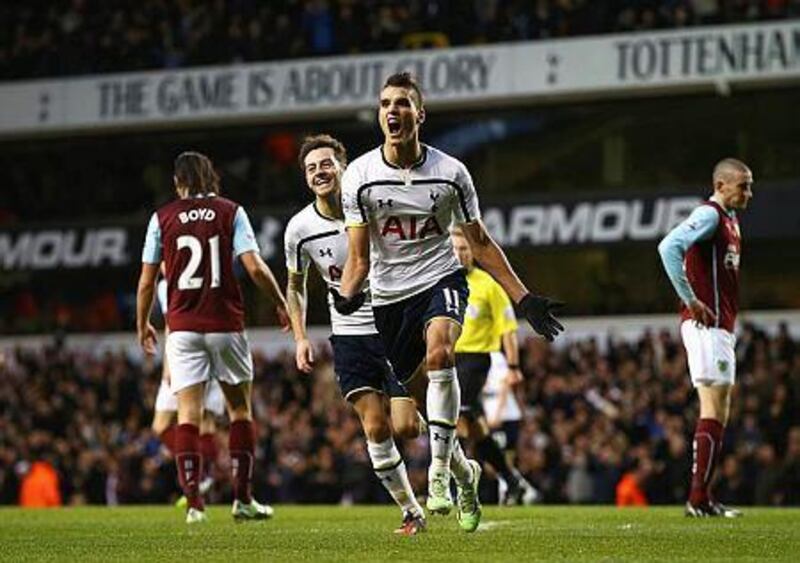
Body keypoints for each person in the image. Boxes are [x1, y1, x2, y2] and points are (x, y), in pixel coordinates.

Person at [336, 72, 565, 532]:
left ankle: (438, 475)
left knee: (442, 352)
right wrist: (346, 298)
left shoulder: (451, 174)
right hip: (389, 298)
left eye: (402, 103)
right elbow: (359, 256)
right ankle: (466, 471)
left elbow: (478, 243)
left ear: (419, 114)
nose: (392, 111)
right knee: (408, 418)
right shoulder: (359, 177)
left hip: (440, 280)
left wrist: (522, 298)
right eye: (385, 104)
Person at [136, 151, 290, 524]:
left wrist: (143, 325)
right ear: (211, 178)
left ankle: (194, 506)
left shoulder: (162, 218)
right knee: (240, 411)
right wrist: (280, 302)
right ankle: (242, 499)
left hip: (183, 330)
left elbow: (146, 281)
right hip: (225, 325)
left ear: (178, 182)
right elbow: (254, 266)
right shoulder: (230, 211)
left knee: (187, 415)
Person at [284, 134, 426, 536]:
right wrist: (299, 336)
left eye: (326, 164)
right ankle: (412, 512)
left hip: (393, 326)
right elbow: (295, 286)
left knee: (406, 428)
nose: (319, 173)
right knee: (375, 427)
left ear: (343, 167)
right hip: (348, 335)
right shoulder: (299, 229)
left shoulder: (373, 209)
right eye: (311, 168)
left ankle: (454, 455)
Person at [658, 157, 753, 518]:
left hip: (721, 328)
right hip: (706, 327)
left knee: (720, 411)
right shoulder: (710, 215)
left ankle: (703, 497)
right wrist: (691, 300)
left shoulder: (731, 219)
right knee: (712, 408)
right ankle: (697, 499)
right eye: (743, 185)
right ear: (721, 186)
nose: (749, 192)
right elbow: (668, 247)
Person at [450, 226, 539, 505]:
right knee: (474, 428)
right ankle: (512, 480)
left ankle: (454, 488)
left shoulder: (488, 285)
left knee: (455, 415)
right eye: (454, 249)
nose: (459, 254)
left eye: (465, 249)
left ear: (473, 253)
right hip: (446, 361)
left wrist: (513, 365)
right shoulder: (440, 283)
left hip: (475, 358)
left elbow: (508, 329)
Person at [151, 273, 226, 505]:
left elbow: (172, 325)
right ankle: (204, 476)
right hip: (209, 350)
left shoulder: (168, 285)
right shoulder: (206, 273)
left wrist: (169, 364)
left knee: (192, 423)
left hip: (189, 356)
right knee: (194, 424)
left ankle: (199, 478)